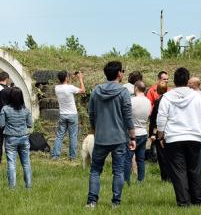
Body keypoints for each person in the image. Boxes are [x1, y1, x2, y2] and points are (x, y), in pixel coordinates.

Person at [86, 61, 135, 209]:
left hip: (101, 137)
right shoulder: (123, 92)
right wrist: (132, 137)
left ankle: (92, 201)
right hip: (119, 138)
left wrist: (95, 130)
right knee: (118, 171)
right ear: (119, 73)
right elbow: (128, 116)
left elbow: (91, 114)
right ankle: (116, 202)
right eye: (123, 71)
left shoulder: (96, 91)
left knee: (95, 170)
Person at [157, 67, 201, 207]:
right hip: (194, 137)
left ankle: (184, 202)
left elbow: (161, 118)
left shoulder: (167, 97)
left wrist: (161, 136)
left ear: (174, 81)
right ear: (187, 81)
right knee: (195, 169)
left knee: (178, 171)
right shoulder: (197, 96)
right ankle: (197, 201)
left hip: (174, 138)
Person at [0, 87, 33, 189]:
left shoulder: (5, 109)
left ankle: (12, 188)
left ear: (10, 97)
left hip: (10, 139)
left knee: (11, 163)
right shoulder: (26, 110)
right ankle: (29, 187)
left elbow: (1, 124)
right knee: (26, 163)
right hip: (24, 138)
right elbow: (30, 125)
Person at [51, 70, 85, 161]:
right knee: (73, 136)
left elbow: (66, 84)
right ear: (66, 78)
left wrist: (71, 77)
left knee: (59, 136)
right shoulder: (71, 88)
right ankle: (72, 157)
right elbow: (83, 90)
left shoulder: (57, 88)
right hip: (72, 115)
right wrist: (80, 78)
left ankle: (55, 156)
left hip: (62, 114)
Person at [124, 80, 151, 185]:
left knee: (127, 158)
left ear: (135, 88)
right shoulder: (148, 101)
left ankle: (126, 181)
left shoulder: (132, 101)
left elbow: (126, 116)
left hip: (133, 133)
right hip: (143, 132)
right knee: (141, 159)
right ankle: (140, 180)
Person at [148, 81, 170, 181]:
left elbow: (155, 118)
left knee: (162, 155)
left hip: (160, 131)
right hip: (171, 130)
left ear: (157, 91)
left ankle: (165, 177)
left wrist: (152, 133)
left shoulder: (158, 101)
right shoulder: (171, 99)